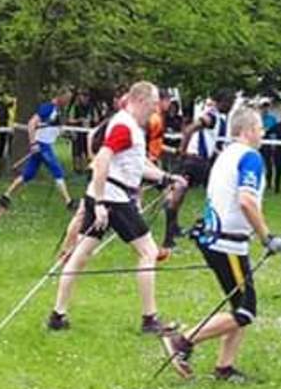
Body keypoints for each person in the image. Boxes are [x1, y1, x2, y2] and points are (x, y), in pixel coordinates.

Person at [47, 82, 186, 334]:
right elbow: (102, 159)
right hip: (113, 199)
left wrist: (166, 178)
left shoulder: (128, 125)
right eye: (153, 104)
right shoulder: (125, 126)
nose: (156, 109)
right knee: (148, 252)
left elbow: (136, 166)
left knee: (80, 255)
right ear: (141, 100)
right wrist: (101, 202)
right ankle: (150, 319)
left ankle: (58, 315)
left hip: (104, 195)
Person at [159, 107, 281, 381]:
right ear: (247, 130)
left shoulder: (226, 154)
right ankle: (182, 341)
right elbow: (246, 201)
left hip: (216, 239)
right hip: (227, 245)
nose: (263, 132)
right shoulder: (250, 157)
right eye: (259, 128)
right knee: (246, 312)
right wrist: (266, 237)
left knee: (239, 304)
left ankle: (224, 368)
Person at [164, 92, 233, 249]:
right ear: (222, 102)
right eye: (230, 102)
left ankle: (173, 231)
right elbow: (190, 130)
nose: (231, 106)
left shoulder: (218, 119)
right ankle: (170, 239)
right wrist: (182, 151)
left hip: (200, 161)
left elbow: (209, 141)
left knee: (179, 195)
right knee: (213, 193)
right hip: (196, 161)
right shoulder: (211, 117)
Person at [0, 90, 75, 211]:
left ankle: (6, 196)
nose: (68, 102)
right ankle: (69, 201)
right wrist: (33, 143)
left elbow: (51, 128)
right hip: (42, 146)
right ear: (60, 97)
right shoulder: (47, 108)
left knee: (28, 174)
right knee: (58, 171)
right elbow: (31, 124)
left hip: (45, 144)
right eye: (67, 99)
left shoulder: (58, 110)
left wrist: (64, 133)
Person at [68, 91, 97, 172]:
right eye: (83, 96)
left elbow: (96, 118)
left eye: (86, 96)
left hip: (88, 132)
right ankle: (77, 168)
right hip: (77, 131)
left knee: (87, 150)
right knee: (77, 151)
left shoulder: (92, 107)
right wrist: (79, 120)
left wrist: (91, 120)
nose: (85, 98)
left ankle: (88, 167)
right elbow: (70, 119)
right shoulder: (75, 106)